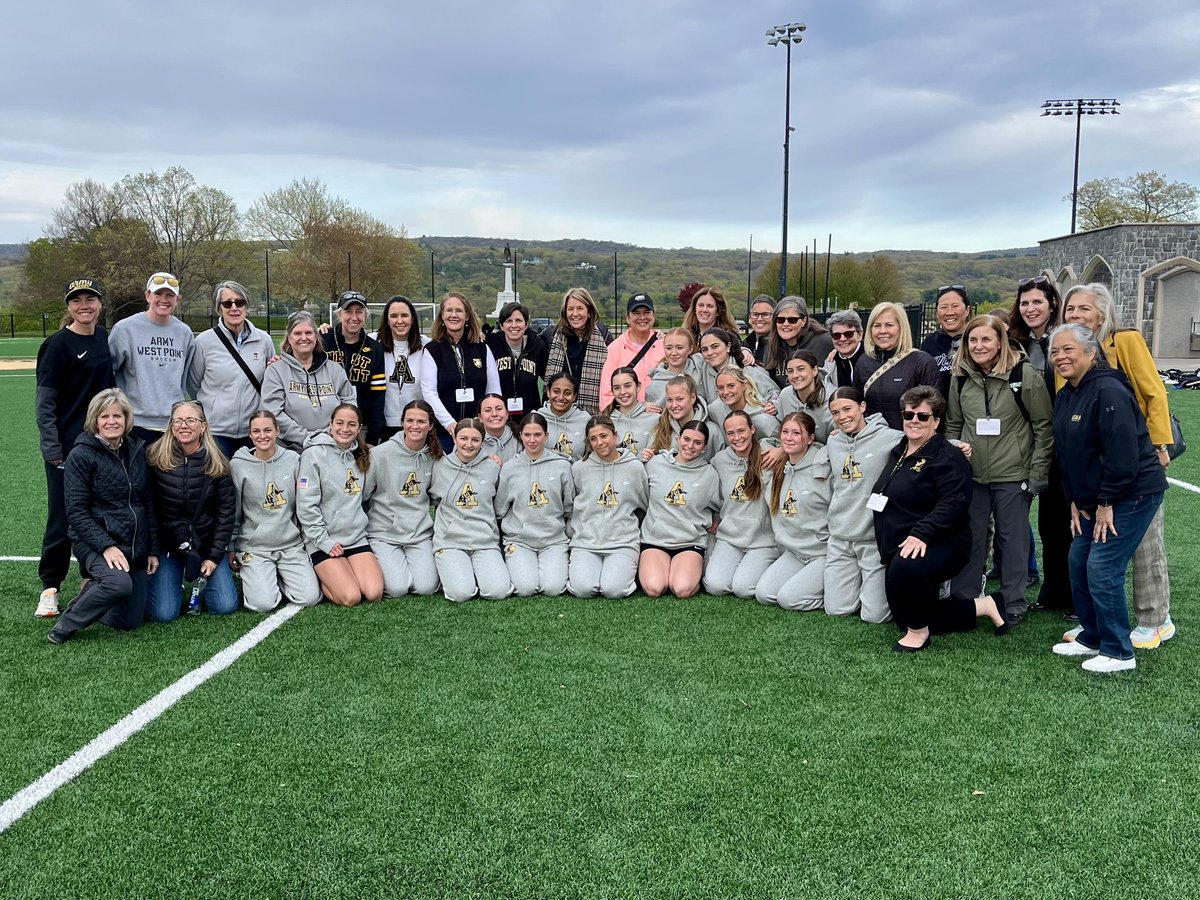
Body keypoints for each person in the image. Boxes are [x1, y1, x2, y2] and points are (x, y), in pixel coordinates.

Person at [1048, 324, 1167, 673]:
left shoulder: (1109, 389)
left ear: (1090, 353)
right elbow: (1068, 453)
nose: (1060, 357)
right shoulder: (1068, 392)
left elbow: (1121, 454)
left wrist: (1105, 503)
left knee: (1103, 567)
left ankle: (1119, 651)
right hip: (1092, 497)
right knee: (1078, 561)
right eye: (1055, 351)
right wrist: (1074, 499)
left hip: (1131, 494)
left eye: (1068, 349)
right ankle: (1093, 635)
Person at [873, 386, 1009, 651]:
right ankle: (984, 605)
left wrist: (922, 532)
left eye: (923, 416)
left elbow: (955, 503)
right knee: (904, 618)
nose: (914, 420)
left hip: (944, 540)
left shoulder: (948, 456)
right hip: (905, 542)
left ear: (936, 421)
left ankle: (919, 635)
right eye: (909, 414)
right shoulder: (899, 451)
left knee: (908, 574)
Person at [945, 314, 1053, 626]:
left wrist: (1037, 471)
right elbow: (954, 424)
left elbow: (1043, 425)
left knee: (1012, 540)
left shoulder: (1023, 373)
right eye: (973, 340)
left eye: (986, 339)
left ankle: (1014, 603)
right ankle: (964, 602)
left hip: (1013, 472)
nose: (979, 346)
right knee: (971, 537)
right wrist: (955, 464)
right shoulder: (960, 376)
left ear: (999, 342)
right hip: (972, 473)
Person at [47, 389, 158, 643]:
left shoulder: (137, 450)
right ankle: (66, 625)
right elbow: (76, 511)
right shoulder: (81, 455)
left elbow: (147, 503)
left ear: (126, 418)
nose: (111, 421)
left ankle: (90, 593)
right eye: (104, 416)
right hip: (95, 541)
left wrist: (152, 549)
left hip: (133, 542)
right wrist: (106, 546)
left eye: (117, 415)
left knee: (130, 621)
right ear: (95, 420)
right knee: (119, 584)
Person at [35, 276, 116, 618]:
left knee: (98, 516)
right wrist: (53, 450)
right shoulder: (57, 345)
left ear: (99, 304)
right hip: (67, 450)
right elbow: (45, 404)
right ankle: (50, 587)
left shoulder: (106, 339)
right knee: (63, 518)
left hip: (102, 447)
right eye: (77, 300)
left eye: (90, 299)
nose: (84, 305)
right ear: (68, 306)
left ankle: (90, 578)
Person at [1007, 275, 1071, 615]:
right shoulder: (1017, 342)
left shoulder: (1065, 338)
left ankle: (1077, 596)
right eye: (1025, 302)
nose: (1030, 308)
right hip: (1032, 441)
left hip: (1066, 439)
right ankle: (1053, 592)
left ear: (1052, 305)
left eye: (1037, 302)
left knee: (1070, 519)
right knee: (1048, 522)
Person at [145, 400, 239, 621]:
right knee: (163, 614)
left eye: (190, 420)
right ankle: (167, 579)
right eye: (178, 420)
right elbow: (150, 510)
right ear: (171, 425)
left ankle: (201, 580)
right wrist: (153, 551)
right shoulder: (154, 457)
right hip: (170, 546)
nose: (183, 426)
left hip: (205, 545)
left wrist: (214, 557)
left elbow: (226, 515)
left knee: (224, 606)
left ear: (203, 426)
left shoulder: (218, 462)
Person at [823, 387, 904, 623]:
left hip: (871, 538)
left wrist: (956, 444)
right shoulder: (833, 441)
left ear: (862, 407)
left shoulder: (888, 437)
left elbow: (923, 441)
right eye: (835, 413)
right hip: (840, 536)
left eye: (847, 409)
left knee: (875, 616)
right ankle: (857, 588)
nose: (842, 417)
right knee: (836, 609)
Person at [229, 410, 321, 612]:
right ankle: (262, 576)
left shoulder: (293, 460)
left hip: (290, 544)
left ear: (277, 431)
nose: (263, 436)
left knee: (310, 597)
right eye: (257, 431)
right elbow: (234, 511)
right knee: (262, 604)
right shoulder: (238, 465)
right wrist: (231, 547)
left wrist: (306, 538)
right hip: (255, 546)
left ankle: (277, 575)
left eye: (268, 430)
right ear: (250, 435)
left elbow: (302, 505)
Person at [297, 404, 384, 607]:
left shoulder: (363, 455)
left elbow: (365, 495)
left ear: (359, 428)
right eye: (340, 423)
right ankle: (323, 577)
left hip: (355, 536)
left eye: (351, 424)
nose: (345, 429)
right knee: (350, 597)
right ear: (330, 425)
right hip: (323, 539)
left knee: (373, 593)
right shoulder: (313, 455)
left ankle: (342, 572)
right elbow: (306, 506)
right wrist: (324, 541)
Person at [364, 400, 442, 598]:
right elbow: (363, 495)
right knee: (397, 588)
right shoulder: (380, 454)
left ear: (431, 425)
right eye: (410, 420)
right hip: (384, 533)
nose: (415, 426)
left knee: (426, 588)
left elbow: (441, 495)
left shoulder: (436, 457)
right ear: (402, 423)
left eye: (421, 421)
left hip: (419, 534)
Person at [189, 280, 275, 459]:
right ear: (219, 308)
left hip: (253, 433)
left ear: (247, 306)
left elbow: (270, 383)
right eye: (227, 303)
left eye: (239, 302)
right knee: (218, 483)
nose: (234, 307)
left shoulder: (264, 341)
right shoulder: (204, 342)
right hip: (217, 433)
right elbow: (192, 385)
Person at [429, 417, 512, 602]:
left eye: (475, 440)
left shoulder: (493, 468)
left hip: (484, 540)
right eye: (463, 438)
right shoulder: (440, 465)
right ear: (455, 438)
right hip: (450, 540)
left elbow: (499, 506)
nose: (469, 444)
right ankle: (454, 572)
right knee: (461, 594)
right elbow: (433, 499)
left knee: (497, 591)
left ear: (482, 442)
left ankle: (476, 570)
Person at [755, 412, 831, 610]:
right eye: (785, 432)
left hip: (821, 553)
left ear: (810, 438)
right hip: (793, 552)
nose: (789, 438)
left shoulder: (823, 467)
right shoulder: (780, 467)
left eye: (796, 433)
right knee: (764, 594)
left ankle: (835, 595)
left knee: (788, 599)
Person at [109, 271, 195, 445]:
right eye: (158, 294)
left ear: (177, 300)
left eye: (170, 295)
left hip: (173, 426)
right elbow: (108, 373)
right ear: (148, 296)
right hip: (135, 424)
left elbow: (185, 377)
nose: (164, 300)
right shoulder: (125, 329)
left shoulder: (184, 333)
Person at [568, 416, 649, 598]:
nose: (599, 442)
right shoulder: (580, 468)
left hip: (622, 542)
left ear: (615, 435)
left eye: (604, 436)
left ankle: (622, 569)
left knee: (614, 589)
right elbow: (571, 504)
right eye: (593, 439)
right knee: (583, 589)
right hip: (586, 542)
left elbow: (645, 502)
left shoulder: (634, 467)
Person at [496, 412, 576, 596]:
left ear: (546, 436)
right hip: (520, 539)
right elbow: (500, 509)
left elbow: (569, 508)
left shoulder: (562, 466)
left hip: (553, 540)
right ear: (520, 436)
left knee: (553, 588)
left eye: (538, 435)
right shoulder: (509, 468)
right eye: (527, 435)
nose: (532, 440)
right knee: (526, 588)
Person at [639, 421, 721, 598]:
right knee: (654, 588)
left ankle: (687, 573)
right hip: (655, 539)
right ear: (678, 438)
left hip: (689, 541)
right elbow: (640, 494)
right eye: (686, 439)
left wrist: (716, 519)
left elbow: (720, 505)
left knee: (682, 589)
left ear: (705, 447)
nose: (690, 446)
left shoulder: (710, 474)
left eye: (697, 443)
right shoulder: (655, 463)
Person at [704, 410, 780, 598]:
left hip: (762, 540)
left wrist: (783, 449)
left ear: (752, 429)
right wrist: (711, 517)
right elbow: (706, 489)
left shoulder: (768, 455)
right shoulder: (720, 460)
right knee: (715, 586)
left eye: (741, 431)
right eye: (731, 433)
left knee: (743, 589)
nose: (737, 438)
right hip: (730, 537)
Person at [261, 311, 355, 451]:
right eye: (298, 333)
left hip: (333, 446)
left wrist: (330, 435)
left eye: (309, 333)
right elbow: (273, 413)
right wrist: (307, 437)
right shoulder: (275, 371)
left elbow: (350, 406)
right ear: (289, 338)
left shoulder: (335, 370)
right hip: (290, 450)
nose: (303, 338)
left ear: (316, 337)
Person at [420, 291, 501, 448]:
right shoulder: (432, 350)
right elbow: (429, 392)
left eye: (459, 310)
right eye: (449, 310)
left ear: (467, 316)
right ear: (442, 316)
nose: (454, 315)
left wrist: (485, 419)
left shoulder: (482, 348)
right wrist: (450, 423)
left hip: (478, 433)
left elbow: (493, 391)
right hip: (444, 435)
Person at [853, 301, 941, 430]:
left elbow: (934, 410)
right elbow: (856, 403)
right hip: (872, 440)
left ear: (901, 327)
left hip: (908, 441)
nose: (883, 331)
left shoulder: (922, 362)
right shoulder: (864, 361)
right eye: (877, 326)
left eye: (889, 325)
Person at [321, 291, 386, 444]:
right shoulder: (323, 341)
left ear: (366, 316)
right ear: (339, 315)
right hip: (324, 425)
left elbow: (378, 397)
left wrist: (373, 436)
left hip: (359, 427)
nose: (354, 317)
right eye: (348, 312)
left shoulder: (375, 349)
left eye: (359, 312)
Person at [545, 287, 609, 414]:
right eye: (570, 309)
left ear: (589, 311)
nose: (575, 314)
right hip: (559, 408)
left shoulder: (604, 337)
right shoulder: (551, 336)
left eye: (580, 308)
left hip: (591, 412)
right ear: (565, 312)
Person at [376, 295, 430, 444]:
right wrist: (325, 329)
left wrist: (477, 334)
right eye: (394, 316)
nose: (399, 321)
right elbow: (347, 338)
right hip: (384, 425)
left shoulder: (427, 345)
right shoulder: (373, 342)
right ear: (387, 320)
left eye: (404, 315)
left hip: (416, 426)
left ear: (412, 319)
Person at [598, 292, 664, 409]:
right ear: (628, 318)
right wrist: (639, 408)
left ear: (654, 315)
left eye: (647, 312)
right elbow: (606, 395)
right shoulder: (614, 349)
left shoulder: (664, 345)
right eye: (636, 313)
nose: (642, 317)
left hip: (662, 418)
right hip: (627, 419)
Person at [485, 301, 548, 421]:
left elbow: (549, 378)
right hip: (498, 418)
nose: (514, 325)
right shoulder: (491, 345)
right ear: (502, 325)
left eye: (518, 320)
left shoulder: (538, 346)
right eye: (509, 321)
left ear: (526, 324)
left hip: (529, 418)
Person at [644, 374, 725, 464]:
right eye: (669, 400)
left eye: (679, 399)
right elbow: (650, 460)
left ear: (692, 398)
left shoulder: (712, 431)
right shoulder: (661, 427)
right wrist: (644, 457)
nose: (674, 405)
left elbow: (720, 464)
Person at [696, 328, 779, 409]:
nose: (710, 353)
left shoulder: (749, 370)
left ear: (728, 346)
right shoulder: (702, 369)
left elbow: (774, 394)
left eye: (715, 347)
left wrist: (773, 405)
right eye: (705, 349)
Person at [764, 296, 834, 387]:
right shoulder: (772, 344)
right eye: (780, 320)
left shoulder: (825, 342)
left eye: (792, 320)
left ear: (804, 321)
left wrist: (840, 351)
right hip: (784, 399)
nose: (785, 324)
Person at [919, 285, 971, 400]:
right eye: (943, 307)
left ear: (967, 310)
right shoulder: (929, 343)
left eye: (955, 306)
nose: (949, 312)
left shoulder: (976, 341)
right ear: (937, 313)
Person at [682, 286, 752, 365]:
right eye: (701, 305)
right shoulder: (687, 335)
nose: (704, 310)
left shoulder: (729, 335)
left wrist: (744, 350)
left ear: (718, 311)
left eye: (710, 306)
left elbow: (739, 352)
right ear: (695, 309)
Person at [776, 350, 833, 444]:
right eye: (790, 371)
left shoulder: (832, 398)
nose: (795, 375)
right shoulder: (785, 395)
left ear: (814, 371)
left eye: (801, 369)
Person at [708, 367, 780, 442]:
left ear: (744, 386)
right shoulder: (714, 409)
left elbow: (782, 443)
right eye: (720, 388)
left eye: (731, 386)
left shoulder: (763, 420)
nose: (725, 392)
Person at [645, 328, 704, 407]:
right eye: (669, 348)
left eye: (679, 348)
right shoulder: (654, 387)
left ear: (690, 349)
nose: (674, 353)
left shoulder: (700, 364)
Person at [538, 372, 590, 460]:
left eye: (567, 393)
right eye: (556, 391)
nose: (561, 397)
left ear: (574, 396)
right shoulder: (536, 418)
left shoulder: (585, 420)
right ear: (548, 392)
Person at [606, 367, 658, 455]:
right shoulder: (606, 422)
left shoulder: (655, 420)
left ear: (638, 387)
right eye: (617, 388)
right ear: (612, 391)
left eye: (627, 386)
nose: (622, 392)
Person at [822, 309, 865, 390]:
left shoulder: (872, 358)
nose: (842, 339)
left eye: (848, 334)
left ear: (860, 334)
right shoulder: (830, 363)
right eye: (836, 335)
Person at [479, 393, 520, 462]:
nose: (494, 414)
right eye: (488, 410)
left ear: (507, 414)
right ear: (480, 417)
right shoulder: (471, 438)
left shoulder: (520, 437)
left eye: (499, 409)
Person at [744, 295, 776, 365]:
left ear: (775, 317)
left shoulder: (780, 346)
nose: (759, 319)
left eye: (765, 314)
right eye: (755, 314)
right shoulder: (744, 344)